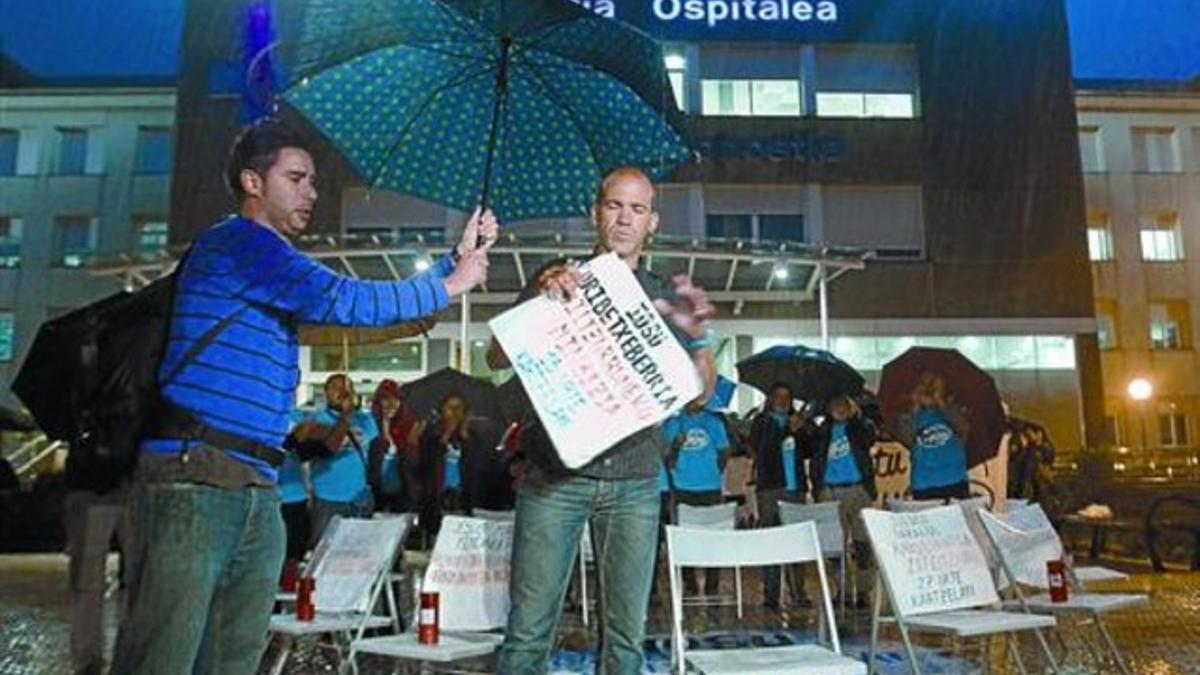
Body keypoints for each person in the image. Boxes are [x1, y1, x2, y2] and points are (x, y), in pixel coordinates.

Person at [110, 118, 496, 675]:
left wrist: (451, 260)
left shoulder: (271, 268)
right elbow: (341, 298)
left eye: (313, 181)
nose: (312, 193)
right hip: (195, 479)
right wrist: (451, 283)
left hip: (256, 484)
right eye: (297, 178)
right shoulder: (240, 244)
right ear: (251, 181)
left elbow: (344, 302)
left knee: (231, 655)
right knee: (162, 655)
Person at [489, 166, 716, 674]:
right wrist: (542, 298)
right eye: (614, 205)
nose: (624, 218)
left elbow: (699, 397)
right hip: (553, 477)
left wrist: (699, 340)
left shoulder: (668, 297)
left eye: (637, 209)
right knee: (527, 633)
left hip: (634, 482)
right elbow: (496, 357)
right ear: (596, 213)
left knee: (626, 639)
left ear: (653, 222)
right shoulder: (556, 275)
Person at [809, 395, 878, 607]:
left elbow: (870, 438)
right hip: (830, 491)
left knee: (863, 544)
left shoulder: (861, 426)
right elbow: (809, 448)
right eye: (834, 404)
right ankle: (843, 589)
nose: (838, 408)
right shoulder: (822, 431)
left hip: (858, 489)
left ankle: (864, 590)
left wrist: (855, 417)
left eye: (843, 404)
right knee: (834, 545)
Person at [748, 383, 811, 610]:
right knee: (771, 540)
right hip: (770, 488)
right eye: (778, 396)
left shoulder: (799, 421)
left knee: (797, 542)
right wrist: (787, 431)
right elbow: (761, 449)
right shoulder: (761, 422)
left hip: (795, 489)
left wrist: (802, 429)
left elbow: (809, 450)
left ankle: (798, 592)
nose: (783, 401)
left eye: (787, 397)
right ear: (770, 399)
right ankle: (771, 594)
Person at [62, 482, 133, 675]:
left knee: (87, 581)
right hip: (99, 486)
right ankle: (88, 659)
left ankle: (88, 658)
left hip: (99, 487)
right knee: (88, 580)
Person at [663, 399, 730, 598]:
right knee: (684, 536)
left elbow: (724, 452)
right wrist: (676, 444)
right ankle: (689, 582)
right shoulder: (674, 424)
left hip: (710, 487)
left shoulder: (713, 422)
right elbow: (667, 460)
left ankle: (712, 584)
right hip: (682, 487)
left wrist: (712, 471)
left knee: (713, 536)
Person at [303, 374, 379, 544]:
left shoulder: (364, 420)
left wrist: (352, 413)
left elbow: (368, 436)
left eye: (346, 388)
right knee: (323, 550)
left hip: (359, 498)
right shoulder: (315, 421)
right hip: (328, 498)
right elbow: (329, 447)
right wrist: (344, 417)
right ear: (325, 393)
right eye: (335, 388)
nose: (341, 392)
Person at [409, 392, 486, 538]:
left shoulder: (472, 437)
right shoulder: (430, 436)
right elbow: (424, 467)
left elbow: (478, 467)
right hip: (436, 503)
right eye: (450, 408)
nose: (454, 412)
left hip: (462, 501)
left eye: (459, 408)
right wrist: (445, 436)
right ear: (441, 411)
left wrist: (464, 435)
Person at [896, 372, 971, 501]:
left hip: (955, 478)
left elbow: (963, 428)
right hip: (924, 482)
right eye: (924, 388)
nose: (928, 393)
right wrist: (915, 407)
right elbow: (905, 438)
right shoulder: (909, 417)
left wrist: (941, 403)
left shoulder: (953, 410)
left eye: (932, 388)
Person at [368, 379, 418, 513]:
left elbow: (414, 463)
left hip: (403, 495)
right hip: (375, 496)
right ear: (378, 401)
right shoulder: (370, 426)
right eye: (386, 399)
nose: (392, 404)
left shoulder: (408, 426)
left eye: (396, 399)